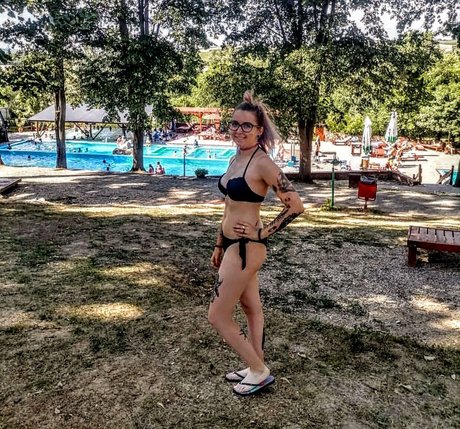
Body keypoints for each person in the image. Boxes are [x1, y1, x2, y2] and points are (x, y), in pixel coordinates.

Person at [209, 91, 304, 396]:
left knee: (217, 315)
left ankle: (259, 371)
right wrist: (219, 243)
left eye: (247, 125)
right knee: (251, 308)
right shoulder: (236, 157)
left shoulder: (262, 163)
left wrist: (262, 234)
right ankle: (255, 366)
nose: (239, 130)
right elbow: (228, 206)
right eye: (235, 124)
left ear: (259, 130)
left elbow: (295, 205)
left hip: (246, 249)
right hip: (231, 245)